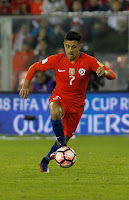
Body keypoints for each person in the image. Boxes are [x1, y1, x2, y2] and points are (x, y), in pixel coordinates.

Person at [19, 31, 116, 173]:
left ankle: (46, 160)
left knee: (63, 139)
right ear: (64, 45)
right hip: (60, 98)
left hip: (77, 105)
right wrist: (25, 86)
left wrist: (105, 72)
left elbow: (112, 75)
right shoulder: (56, 59)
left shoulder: (89, 61)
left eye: (74, 47)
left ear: (79, 47)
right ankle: (64, 147)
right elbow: (34, 67)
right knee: (55, 110)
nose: (70, 50)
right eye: (68, 46)